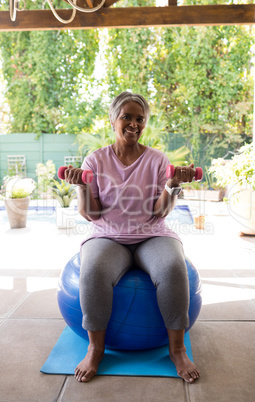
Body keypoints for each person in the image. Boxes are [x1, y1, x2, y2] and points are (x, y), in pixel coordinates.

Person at [64, 91, 201, 384]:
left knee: (173, 268)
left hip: (152, 234)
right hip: (108, 235)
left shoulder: (157, 160)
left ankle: (177, 350)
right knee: (93, 271)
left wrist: (173, 184)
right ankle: (95, 349)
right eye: (126, 116)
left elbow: (159, 212)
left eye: (140, 119)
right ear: (113, 119)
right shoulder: (96, 160)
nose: (133, 124)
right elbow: (91, 214)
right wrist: (82, 187)